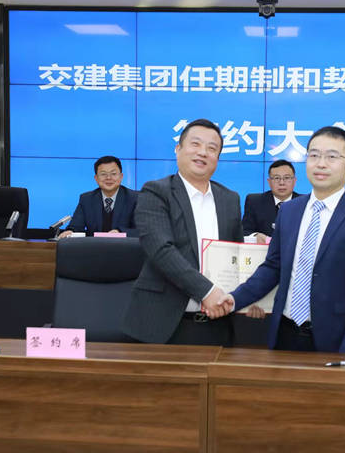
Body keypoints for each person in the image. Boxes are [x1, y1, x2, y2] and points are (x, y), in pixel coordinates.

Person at [218, 126, 345, 353]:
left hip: (334, 341)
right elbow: (273, 267)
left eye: (332, 157)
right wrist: (235, 299)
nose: (321, 163)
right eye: (314, 155)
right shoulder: (289, 211)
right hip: (283, 333)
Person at [122, 119, 243, 346]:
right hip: (162, 326)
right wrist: (207, 292)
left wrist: (248, 297)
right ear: (178, 149)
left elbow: (237, 255)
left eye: (212, 148)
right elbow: (161, 251)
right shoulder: (155, 192)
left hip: (218, 323)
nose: (203, 152)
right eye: (195, 144)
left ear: (218, 158)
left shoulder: (230, 199)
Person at [59, 156, 137, 238]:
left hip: (124, 245)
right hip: (94, 246)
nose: (108, 178)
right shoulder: (86, 199)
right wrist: (70, 232)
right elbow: (75, 227)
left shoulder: (135, 198)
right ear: (96, 178)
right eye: (103, 174)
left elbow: (142, 231)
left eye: (113, 174)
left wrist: (120, 232)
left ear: (121, 177)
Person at [242, 159, 301, 244]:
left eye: (287, 178)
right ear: (269, 182)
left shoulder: (305, 203)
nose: (281, 183)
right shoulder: (254, 201)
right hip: (264, 251)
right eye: (276, 178)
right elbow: (244, 231)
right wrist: (255, 236)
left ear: (294, 181)